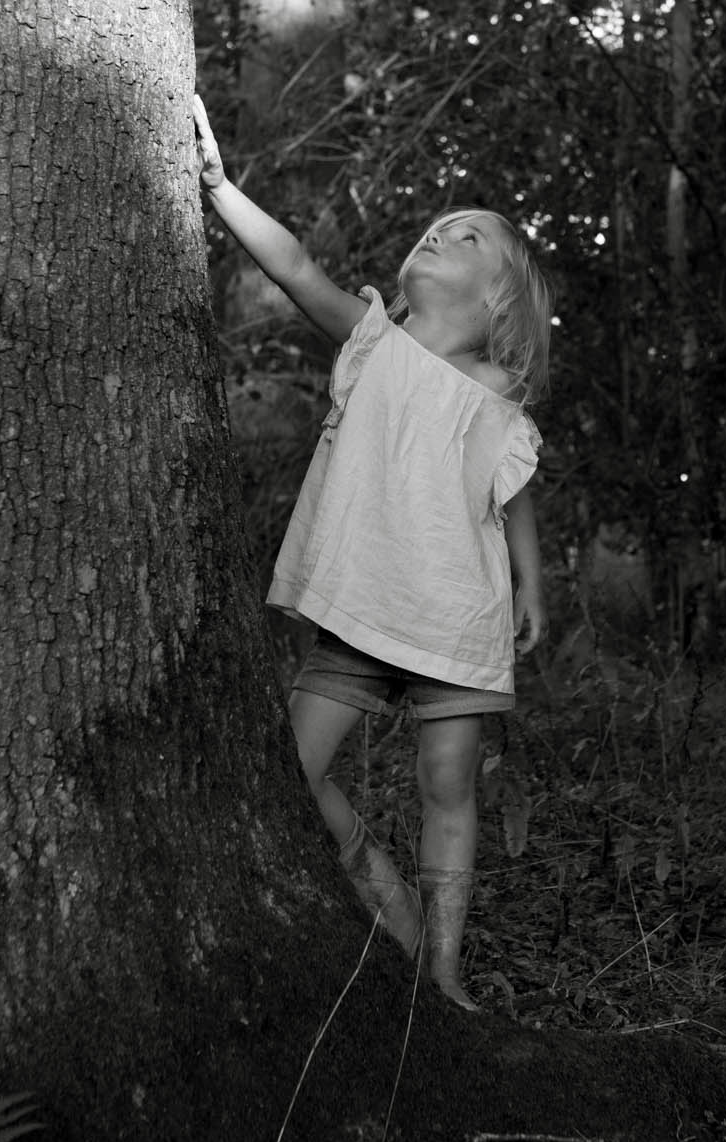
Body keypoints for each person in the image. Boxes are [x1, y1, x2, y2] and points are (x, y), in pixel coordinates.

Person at [193, 95, 550, 1009]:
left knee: (447, 785)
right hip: (359, 609)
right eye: (440, 228)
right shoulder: (371, 342)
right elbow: (295, 267)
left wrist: (530, 583)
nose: (442, 234)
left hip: (455, 620)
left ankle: (443, 968)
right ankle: (379, 887)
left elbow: (511, 494)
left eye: (468, 238)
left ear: (496, 295)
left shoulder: (495, 392)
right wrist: (218, 188)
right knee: (290, 770)